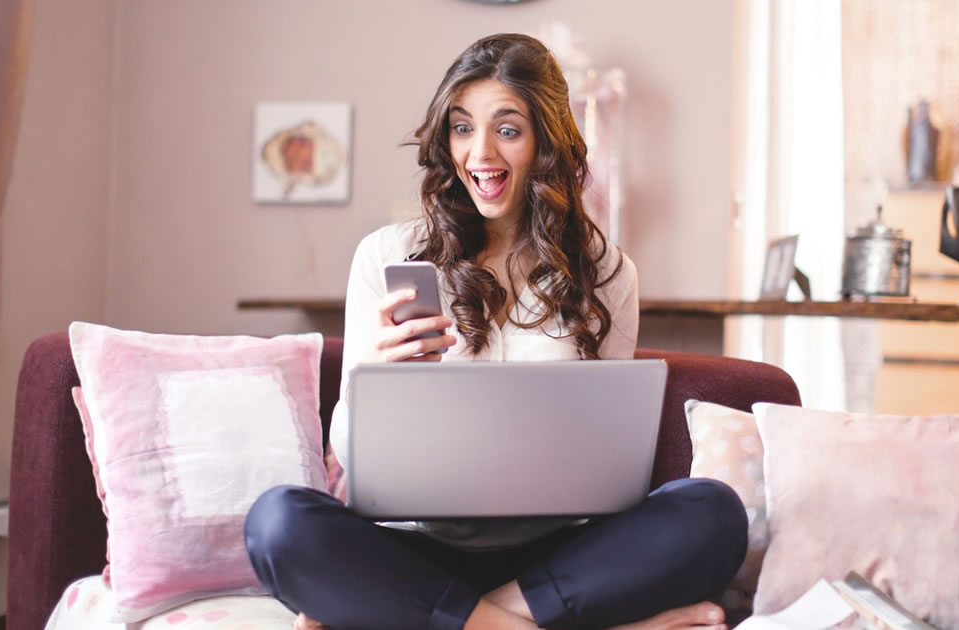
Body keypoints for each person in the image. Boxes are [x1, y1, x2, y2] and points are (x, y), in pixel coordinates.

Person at [244, 33, 747, 630]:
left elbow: (615, 473)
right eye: (461, 127)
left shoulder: (606, 270)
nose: (478, 153)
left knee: (713, 512)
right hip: (416, 549)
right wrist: (371, 382)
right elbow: (357, 471)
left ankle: (453, 619)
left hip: (555, 557)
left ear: (546, 141)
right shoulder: (387, 256)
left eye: (506, 129)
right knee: (278, 523)